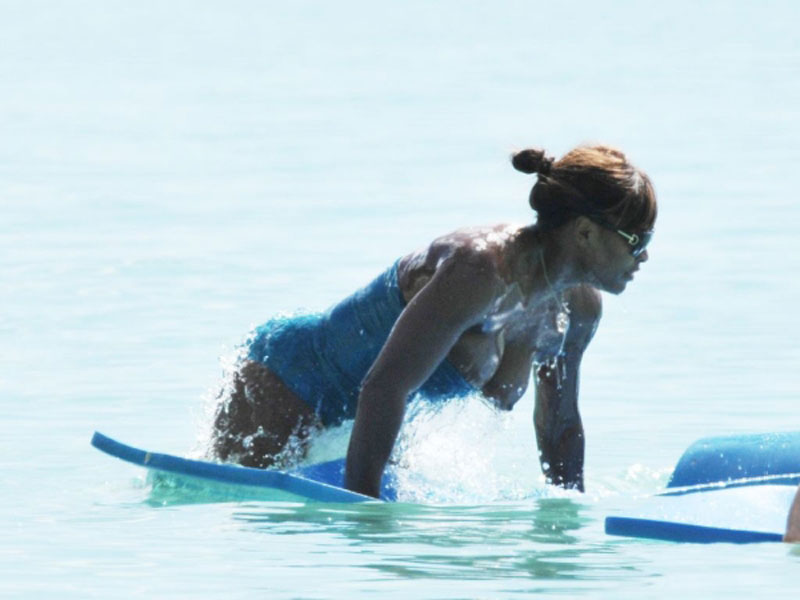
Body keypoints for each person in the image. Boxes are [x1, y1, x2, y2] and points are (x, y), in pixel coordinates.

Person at [211, 144, 657, 498]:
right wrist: (366, 524)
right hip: (289, 386)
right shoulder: (480, 270)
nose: (644, 256)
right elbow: (384, 387)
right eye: (637, 240)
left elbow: (559, 427)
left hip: (365, 428)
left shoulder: (578, 311)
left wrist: (570, 534)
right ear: (584, 232)